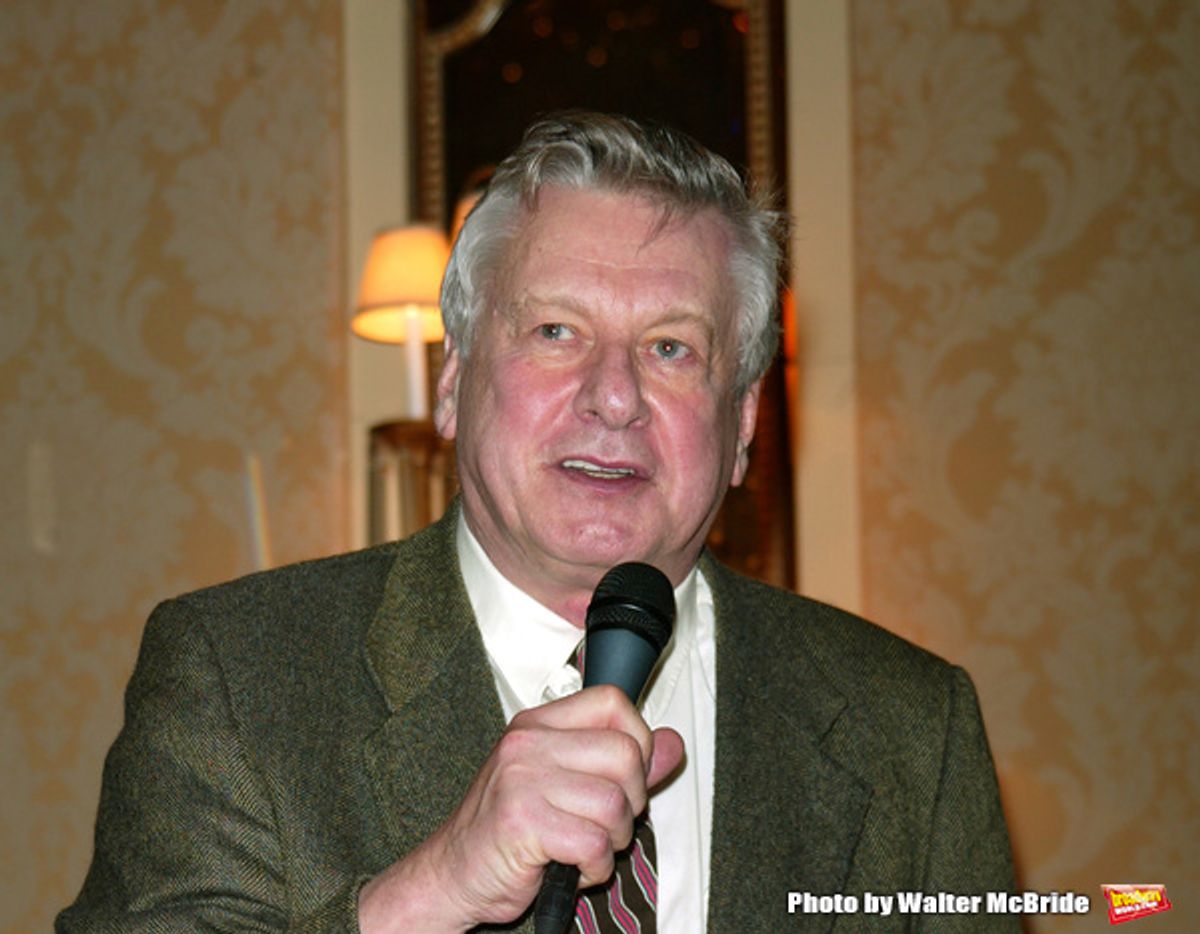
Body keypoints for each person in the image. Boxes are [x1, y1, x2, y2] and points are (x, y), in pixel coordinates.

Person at [59, 112, 1016, 932]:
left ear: (744, 427)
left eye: (673, 348)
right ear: (450, 383)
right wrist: (428, 893)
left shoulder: (911, 729)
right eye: (555, 331)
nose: (614, 397)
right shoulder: (234, 675)